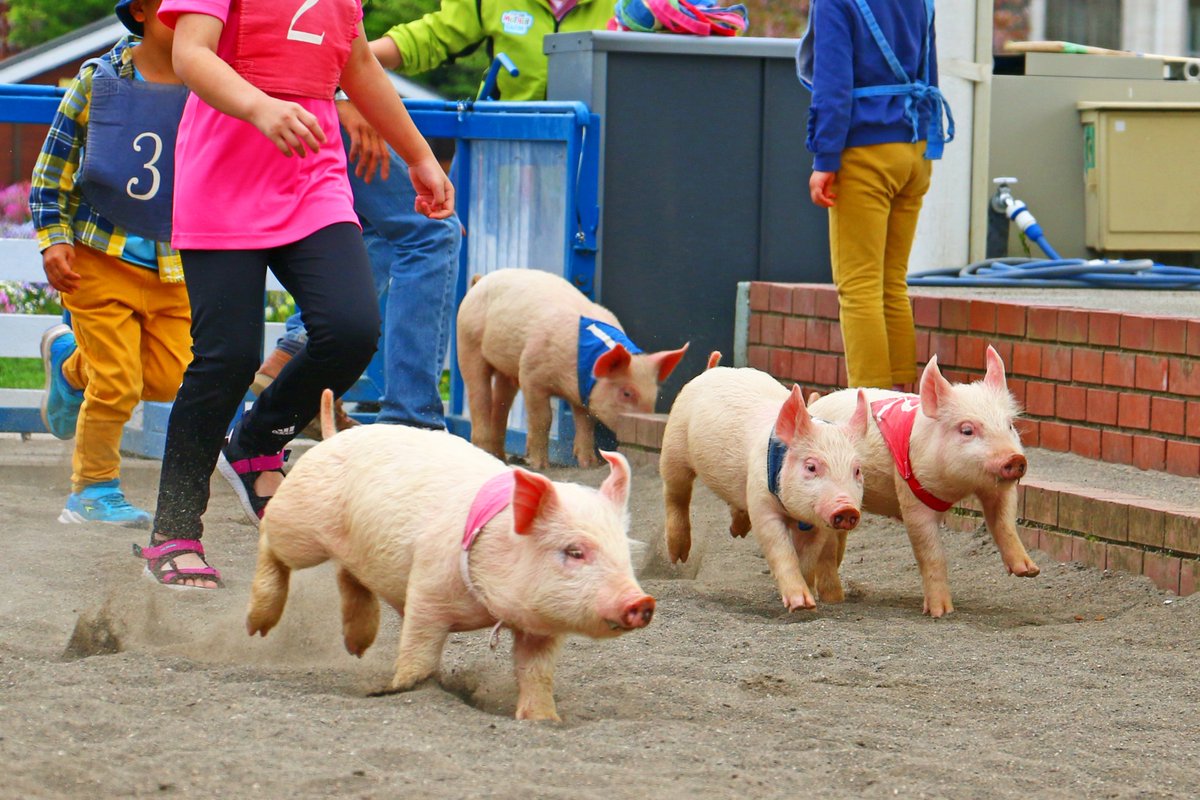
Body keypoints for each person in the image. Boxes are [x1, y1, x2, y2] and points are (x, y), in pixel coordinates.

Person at [141, 0, 454, 588]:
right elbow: (189, 53)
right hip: (222, 179)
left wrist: (418, 156)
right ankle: (175, 531)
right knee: (228, 358)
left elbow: (358, 65)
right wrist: (259, 107)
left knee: (353, 327)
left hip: (313, 180)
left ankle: (259, 442)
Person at [30, 0, 192, 529]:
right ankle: (93, 490)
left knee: (172, 379)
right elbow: (51, 168)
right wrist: (54, 239)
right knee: (118, 381)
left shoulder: (211, 84)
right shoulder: (98, 80)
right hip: (98, 258)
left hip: (174, 265)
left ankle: (70, 367)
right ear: (142, 11)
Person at [254, 98, 461, 434]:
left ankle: (301, 351)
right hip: (306, 106)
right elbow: (347, 50)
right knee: (433, 231)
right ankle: (410, 420)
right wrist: (341, 96)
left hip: (277, 108)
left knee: (382, 225)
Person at [798, 0, 953, 389]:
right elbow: (930, 74)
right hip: (915, 152)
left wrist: (825, 157)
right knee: (891, 285)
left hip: (867, 153)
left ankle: (868, 414)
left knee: (859, 287)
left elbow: (833, 84)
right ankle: (903, 408)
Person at [369, 0, 615, 101]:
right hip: (504, 141)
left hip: (595, 148)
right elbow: (436, 35)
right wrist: (361, 57)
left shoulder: (632, 7)